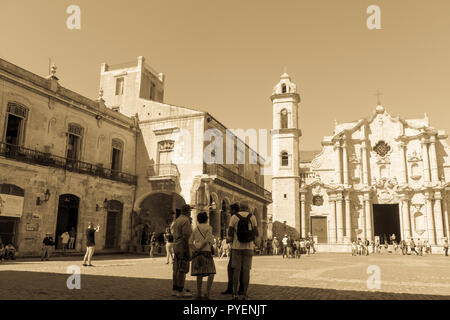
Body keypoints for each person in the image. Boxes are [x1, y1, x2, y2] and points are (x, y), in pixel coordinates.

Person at [228, 201, 258, 300]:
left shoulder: (234, 217)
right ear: (248, 208)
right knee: (246, 271)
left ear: (240, 207)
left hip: (236, 248)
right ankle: (245, 294)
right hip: (248, 248)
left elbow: (230, 233)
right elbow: (256, 233)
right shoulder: (252, 217)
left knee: (236, 271)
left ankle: (235, 294)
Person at [189, 212, 216, 300]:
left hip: (197, 253)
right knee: (211, 272)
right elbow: (208, 240)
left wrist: (195, 249)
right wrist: (201, 248)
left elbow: (190, 242)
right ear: (206, 219)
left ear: (198, 220)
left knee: (199, 273)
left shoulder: (195, 228)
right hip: (206, 252)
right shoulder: (209, 227)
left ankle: (199, 292)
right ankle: (207, 292)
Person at [222, 203, 244, 295]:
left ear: (234, 210)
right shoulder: (246, 217)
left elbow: (230, 235)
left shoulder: (234, 217)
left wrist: (227, 239)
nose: (229, 211)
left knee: (231, 268)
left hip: (236, 247)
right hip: (246, 247)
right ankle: (242, 288)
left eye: (230, 210)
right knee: (242, 268)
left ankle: (230, 288)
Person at [172, 204, 193, 298]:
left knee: (175, 268)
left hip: (176, 245)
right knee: (182, 268)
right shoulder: (185, 220)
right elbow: (186, 236)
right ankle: (180, 290)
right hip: (182, 246)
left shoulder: (177, 220)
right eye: (190, 211)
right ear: (188, 211)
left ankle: (175, 289)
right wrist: (186, 250)